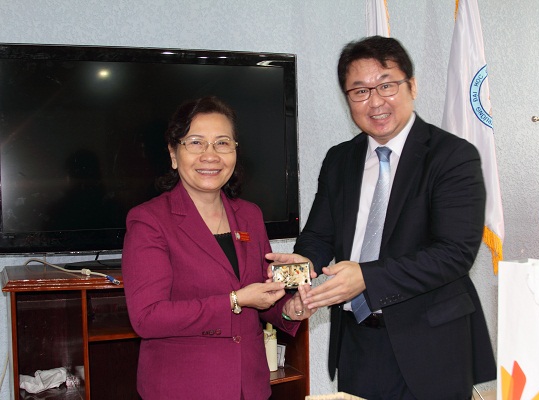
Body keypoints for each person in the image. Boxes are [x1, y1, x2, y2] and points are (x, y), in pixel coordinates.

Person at [266, 36, 496, 399]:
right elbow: (319, 236)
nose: (375, 102)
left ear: (412, 86)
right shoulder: (340, 159)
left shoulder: (452, 156)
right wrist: (301, 268)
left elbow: (454, 254)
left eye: (386, 85)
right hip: (358, 342)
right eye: (360, 91)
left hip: (432, 346)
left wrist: (366, 277)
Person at [122, 96, 311, 400]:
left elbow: (262, 298)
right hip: (184, 389)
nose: (210, 155)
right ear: (173, 154)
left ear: (235, 152)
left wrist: (292, 309)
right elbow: (148, 318)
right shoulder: (149, 220)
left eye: (222, 143)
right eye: (196, 143)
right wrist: (234, 300)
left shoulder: (250, 215)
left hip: (250, 387)